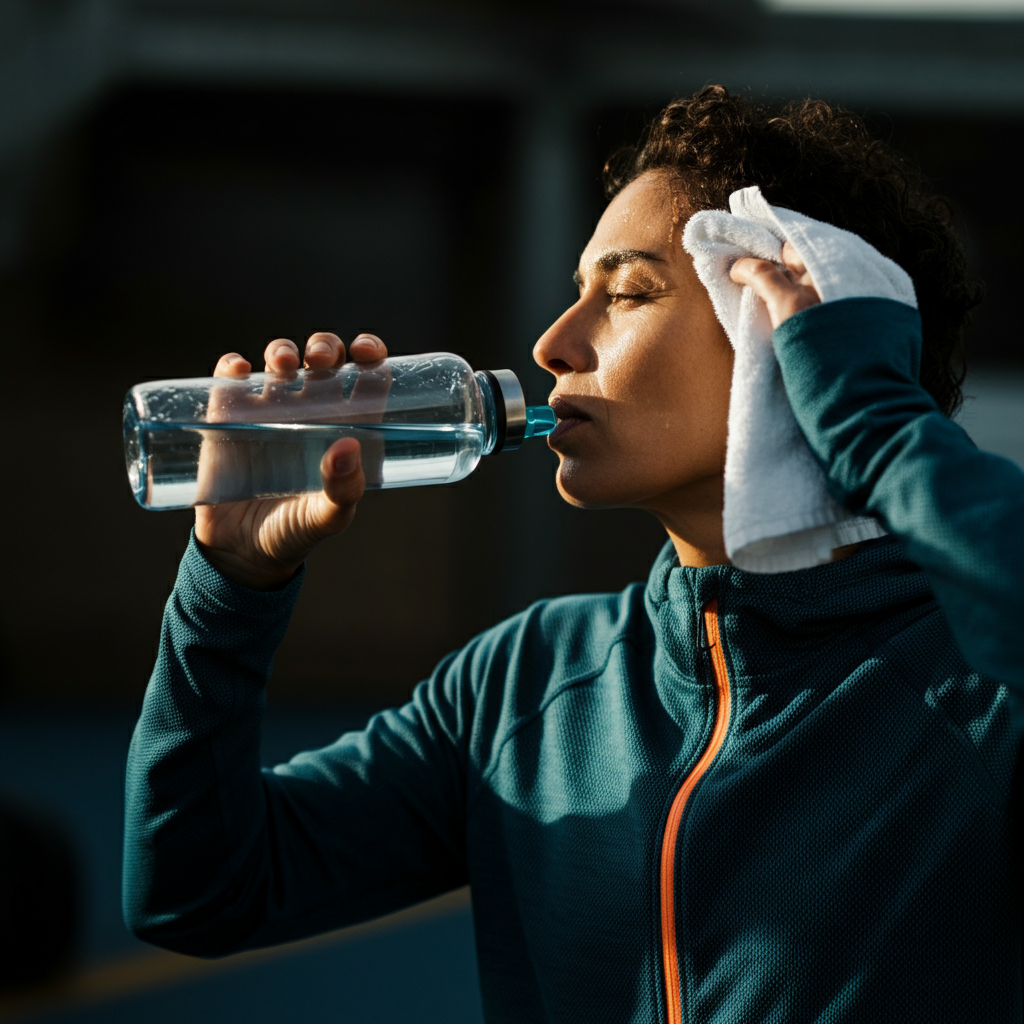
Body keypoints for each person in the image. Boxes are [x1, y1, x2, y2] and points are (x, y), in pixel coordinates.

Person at [122, 86, 1024, 1022]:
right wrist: (231, 586)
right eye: (576, 292)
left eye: (627, 293)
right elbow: (194, 892)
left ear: (776, 338)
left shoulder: (980, 696)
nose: (554, 343)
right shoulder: (521, 682)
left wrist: (874, 422)